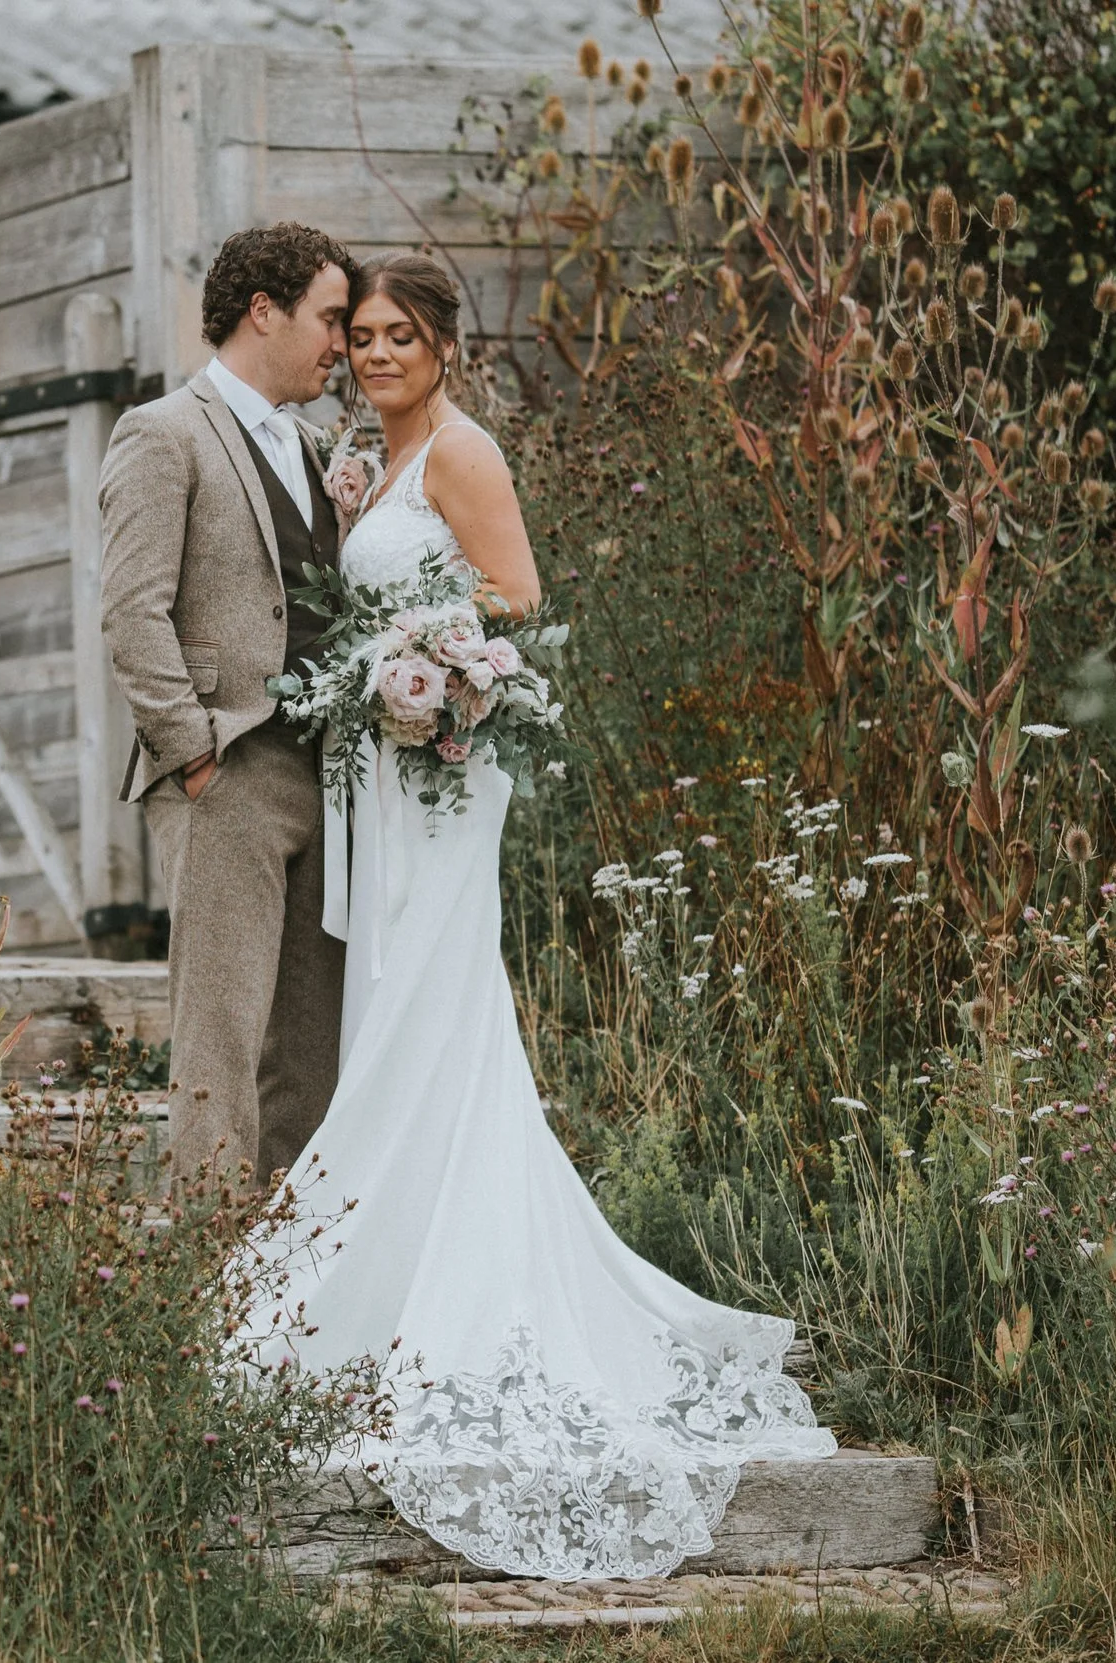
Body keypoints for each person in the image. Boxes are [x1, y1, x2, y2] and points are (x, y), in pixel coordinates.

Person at [227, 252, 839, 1582]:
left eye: (403, 336)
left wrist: (419, 661)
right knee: (392, 1004)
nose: (378, 352)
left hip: (442, 774)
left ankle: (443, 1294)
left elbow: (519, 600)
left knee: (434, 1014)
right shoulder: (366, 459)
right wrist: (371, 644)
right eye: (365, 334)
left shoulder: (461, 455)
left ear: (446, 348)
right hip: (379, 778)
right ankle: (382, 1285)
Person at [98, 222, 354, 1189]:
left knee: (308, 1043)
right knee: (220, 1037)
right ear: (263, 310)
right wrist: (193, 750)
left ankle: (291, 1282)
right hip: (228, 773)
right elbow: (132, 609)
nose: (343, 343)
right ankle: (210, 1291)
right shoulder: (162, 434)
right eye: (329, 319)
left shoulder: (322, 448)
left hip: (328, 776)